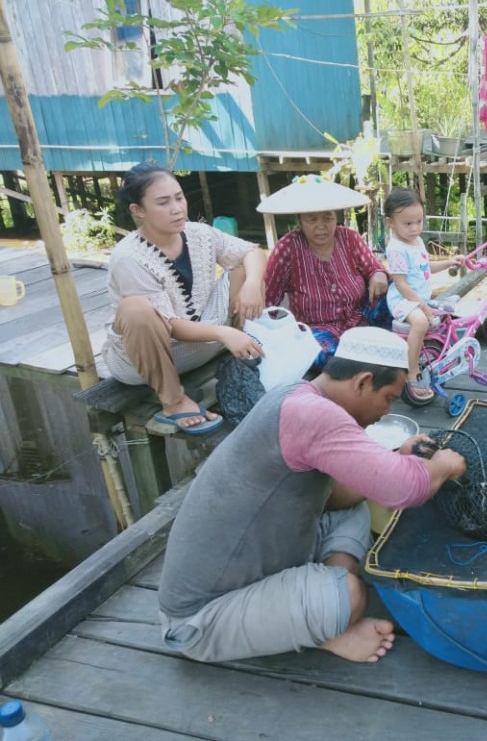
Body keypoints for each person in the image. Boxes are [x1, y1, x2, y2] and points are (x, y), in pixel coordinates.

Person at [158, 326, 467, 664]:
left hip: (265, 556)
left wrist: (402, 460)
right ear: (363, 381)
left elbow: (346, 492)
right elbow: (404, 488)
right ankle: (329, 622)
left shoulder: (299, 395)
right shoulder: (313, 414)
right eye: (388, 399)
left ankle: (326, 594)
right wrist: (443, 466)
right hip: (200, 619)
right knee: (350, 596)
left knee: (353, 505)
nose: (384, 411)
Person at [103, 163, 267, 435]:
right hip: (149, 359)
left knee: (244, 269)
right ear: (138, 210)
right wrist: (223, 332)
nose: (177, 208)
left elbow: (252, 251)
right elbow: (171, 325)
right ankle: (173, 401)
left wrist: (251, 284)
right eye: (163, 202)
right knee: (135, 310)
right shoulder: (129, 258)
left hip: (205, 343)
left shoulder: (198, 234)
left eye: (179, 197)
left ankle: (239, 341)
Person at [259, 174, 391, 367]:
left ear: (335, 217)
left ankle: (390, 344)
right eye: (312, 219)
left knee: (394, 289)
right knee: (326, 357)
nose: (321, 226)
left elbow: (374, 267)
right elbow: (269, 300)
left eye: (327, 218)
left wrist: (378, 273)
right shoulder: (287, 248)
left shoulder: (349, 238)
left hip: (359, 316)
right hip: (317, 328)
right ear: (300, 220)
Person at [383, 187, 463, 400]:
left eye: (419, 221)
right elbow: (400, 284)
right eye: (408, 223)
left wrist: (448, 262)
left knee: (445, 315)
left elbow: (425, 268)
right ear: (390, 222)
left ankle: (437, 353)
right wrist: (422, 306)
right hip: (402, 299)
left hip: (417, 298)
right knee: (420, 322)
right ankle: (411, 372)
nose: (415, 228)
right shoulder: (397, 248)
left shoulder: (417, 242)